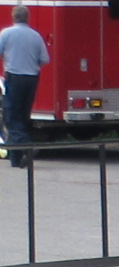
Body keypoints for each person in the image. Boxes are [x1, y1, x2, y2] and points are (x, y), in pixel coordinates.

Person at [0, 6, 47, 173]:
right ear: (28, 18)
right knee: (22, 116)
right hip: (32, 79)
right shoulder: (36, 36)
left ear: (13, 17)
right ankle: (16, 159)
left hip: (14, 77)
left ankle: (25, 144)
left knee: (11, 116)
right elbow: (45, 59)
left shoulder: (6, 34)